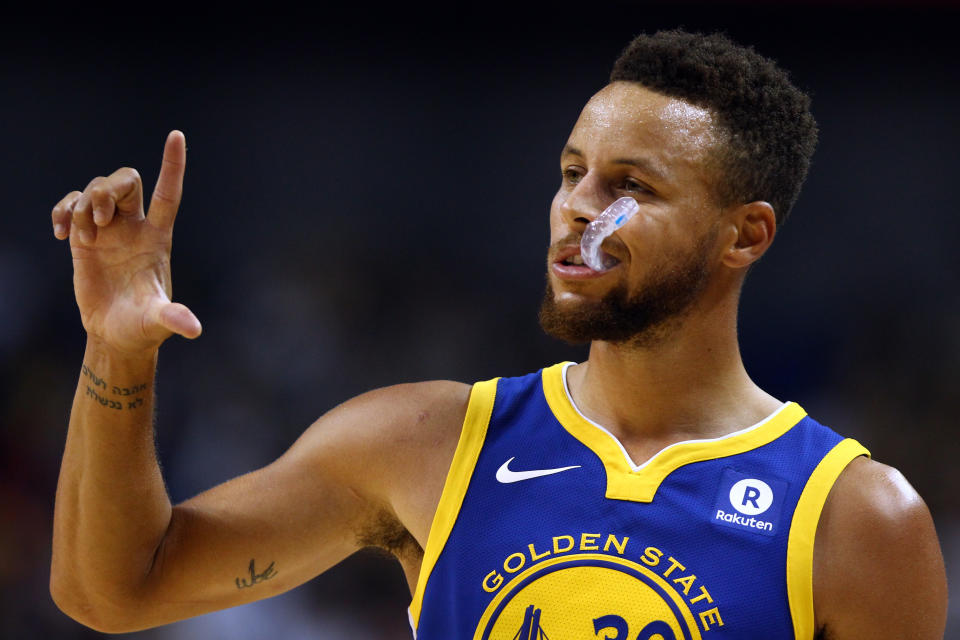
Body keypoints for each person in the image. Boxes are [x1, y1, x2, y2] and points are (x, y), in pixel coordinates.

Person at [48, 30, 946, 639]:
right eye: (571, 173)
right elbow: (113, 590)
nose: (576, 213)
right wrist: (117, 352)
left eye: (628, 187)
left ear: (744, 234)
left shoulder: (855, 518)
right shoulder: (424, 442)